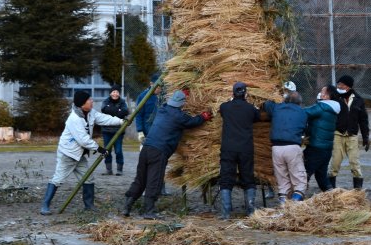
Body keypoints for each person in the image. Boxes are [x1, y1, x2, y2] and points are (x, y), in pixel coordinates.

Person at [122, 90, 211, 218]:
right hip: (158, 151)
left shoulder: (162, 110)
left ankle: (127, 206)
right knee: (155, 180)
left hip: (146, 148)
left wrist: (181, 95)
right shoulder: (179, 116)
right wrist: (203, 117)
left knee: (140, 179)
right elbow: (192, 122)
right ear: (181, 104)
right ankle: (149, 211)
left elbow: (169, 107)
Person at [41, 90, 125, 214]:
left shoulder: (91, 113)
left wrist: (122, 121)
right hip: (68, 154)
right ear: (82, 104)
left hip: (80, 155)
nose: (92, 101)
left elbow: (104, 119)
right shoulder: (74, 119)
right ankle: (45, 206)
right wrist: (99, 149)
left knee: (88, 179)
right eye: (89, 100)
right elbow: (83, 140)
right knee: (58, 179)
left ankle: (89, 205)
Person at [217, 82, 260, 218]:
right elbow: (257, 118)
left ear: (232, 93)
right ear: (245, 94)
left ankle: (226, 213)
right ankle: (251, 211)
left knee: (226, 178)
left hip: (228, 148)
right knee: (248, 178)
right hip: (246, 148)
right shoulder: (251, 109)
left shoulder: (225, 107)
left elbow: (221, 110)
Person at [263, 89, 308, 201]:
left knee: (282, 181)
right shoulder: (302, 112)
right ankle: (293, 205)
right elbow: (305, 129)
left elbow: (266, 104)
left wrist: (276, 96)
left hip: (276, 148)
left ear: (285, 99)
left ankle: (284, 205)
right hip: (292, 147)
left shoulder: (276, 108)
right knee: (300, 181)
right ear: (299, 102)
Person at [328, 74, 369, 190]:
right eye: (338, 85)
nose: (338, 86)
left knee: (355, 164)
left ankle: (357, 191)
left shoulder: (358, 100)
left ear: (347, 87)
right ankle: (331, 190)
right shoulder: (334, 97)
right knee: (334, 163)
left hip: (352, 136)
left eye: (340, 85)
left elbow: (363, 120)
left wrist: (366, 137)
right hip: (337, 135)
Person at [302, 85, 341, 194]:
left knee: (304, 174)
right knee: (321, 176)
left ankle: (296, 200)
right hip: (326, 149)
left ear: (327, 95)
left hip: (315, 147)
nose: (320, 93)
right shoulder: (333, 109)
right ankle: (334, 198)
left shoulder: (323, 107)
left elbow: (304, 112)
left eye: (322, 91)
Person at [100, 88, 129, 176]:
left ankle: (119, 170)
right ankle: (109, 170)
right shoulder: (105, 101)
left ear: (119, 94)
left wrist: (112, 110)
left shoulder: (123, 102)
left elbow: (125, 111)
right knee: (107, 150)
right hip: (106, 130)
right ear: (110, 93)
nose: (115, 94)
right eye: (113, 92)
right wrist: (118, 111)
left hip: (118, 131)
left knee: (118, 151)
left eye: (117, 92)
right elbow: (104, 110)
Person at [134, 80, 161, 145]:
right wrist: (140, 131)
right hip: (147, 130)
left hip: (159, 129)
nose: (159, 90)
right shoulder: (143, 96)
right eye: (158, 87)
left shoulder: (162, 96)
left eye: (160, 88)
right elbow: (139, 114)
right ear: (151, 84)